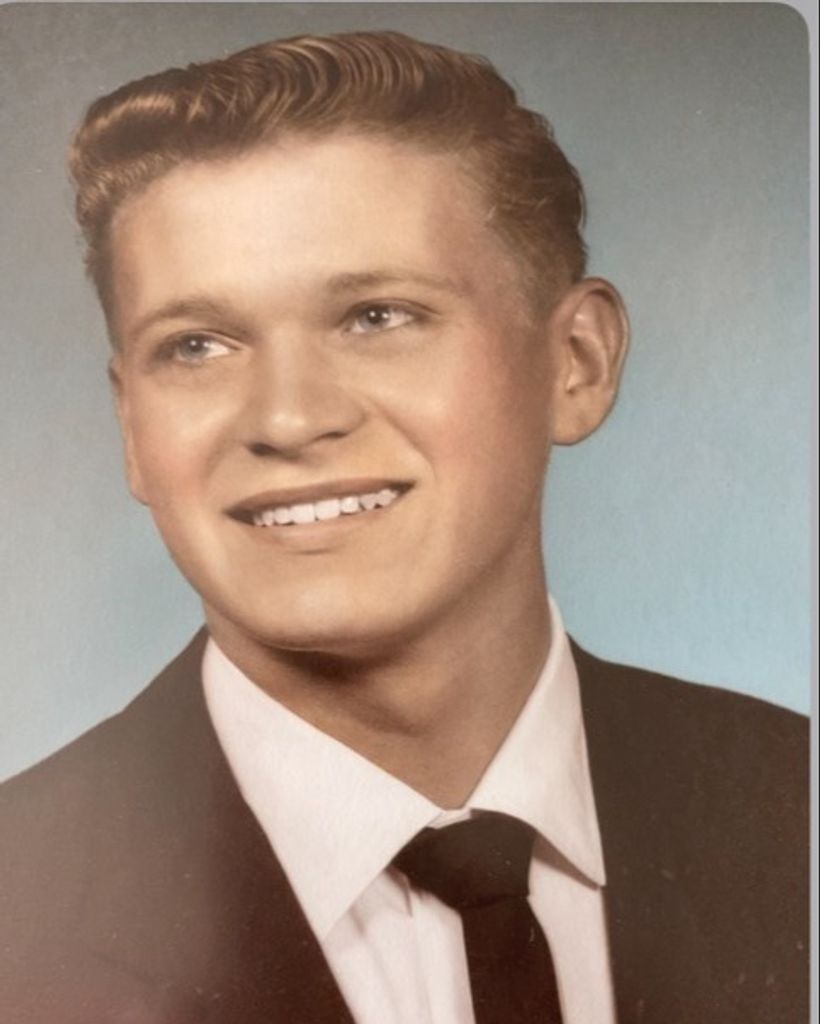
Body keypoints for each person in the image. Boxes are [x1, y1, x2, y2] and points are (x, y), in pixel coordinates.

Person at [0, 30, 807, 1024]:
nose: (288, 418)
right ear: (132, 427)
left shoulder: (790, 800)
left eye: (376, 317)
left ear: (577, 362)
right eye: (198, 345)